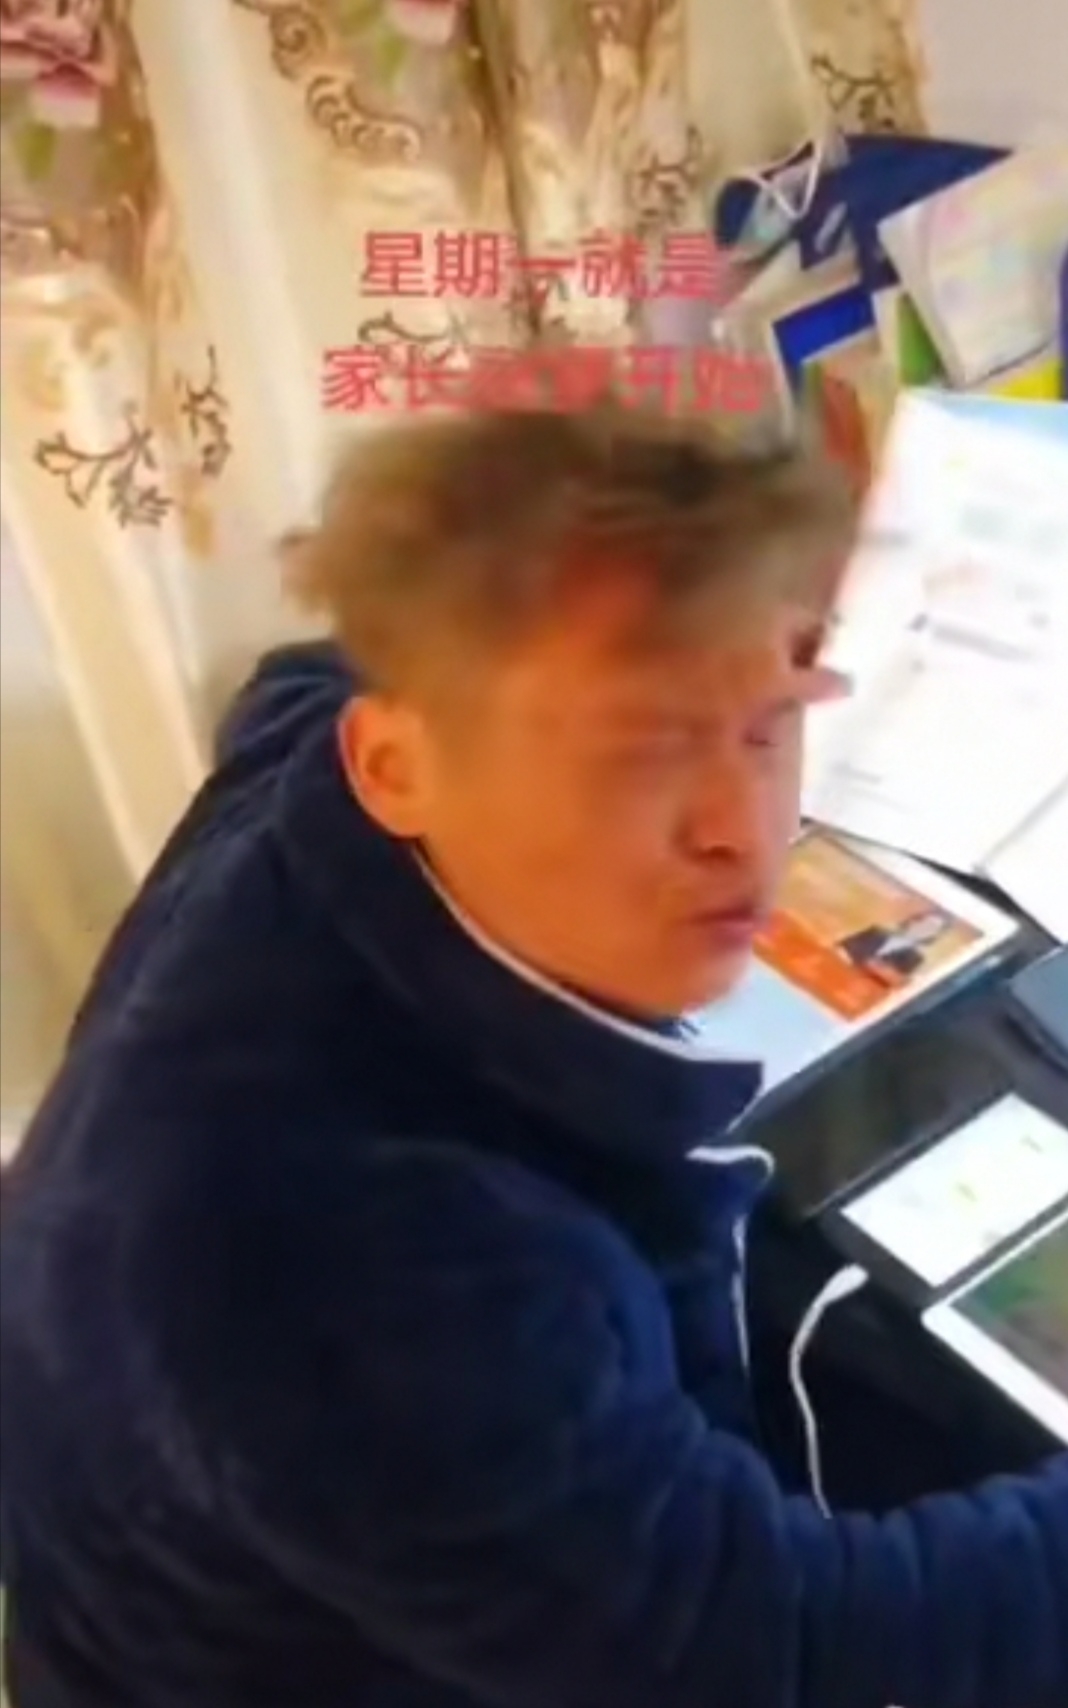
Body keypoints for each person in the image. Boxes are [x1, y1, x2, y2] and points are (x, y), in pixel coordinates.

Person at [1, 402, 1064, 1708]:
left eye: (770, 720)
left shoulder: (327, 753)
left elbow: (299, 674)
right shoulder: (379, 1270)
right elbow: (785, 1648)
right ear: (394, 766)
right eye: (637, 746)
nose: (742, 831)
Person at [838, 908, 949, 980]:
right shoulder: (876, 932)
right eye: (926, 924)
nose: (925, 929)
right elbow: (841, 947)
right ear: (914, 921)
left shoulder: (914, 959)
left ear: (932, 936)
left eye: (932, 929)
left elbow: (892, 981)